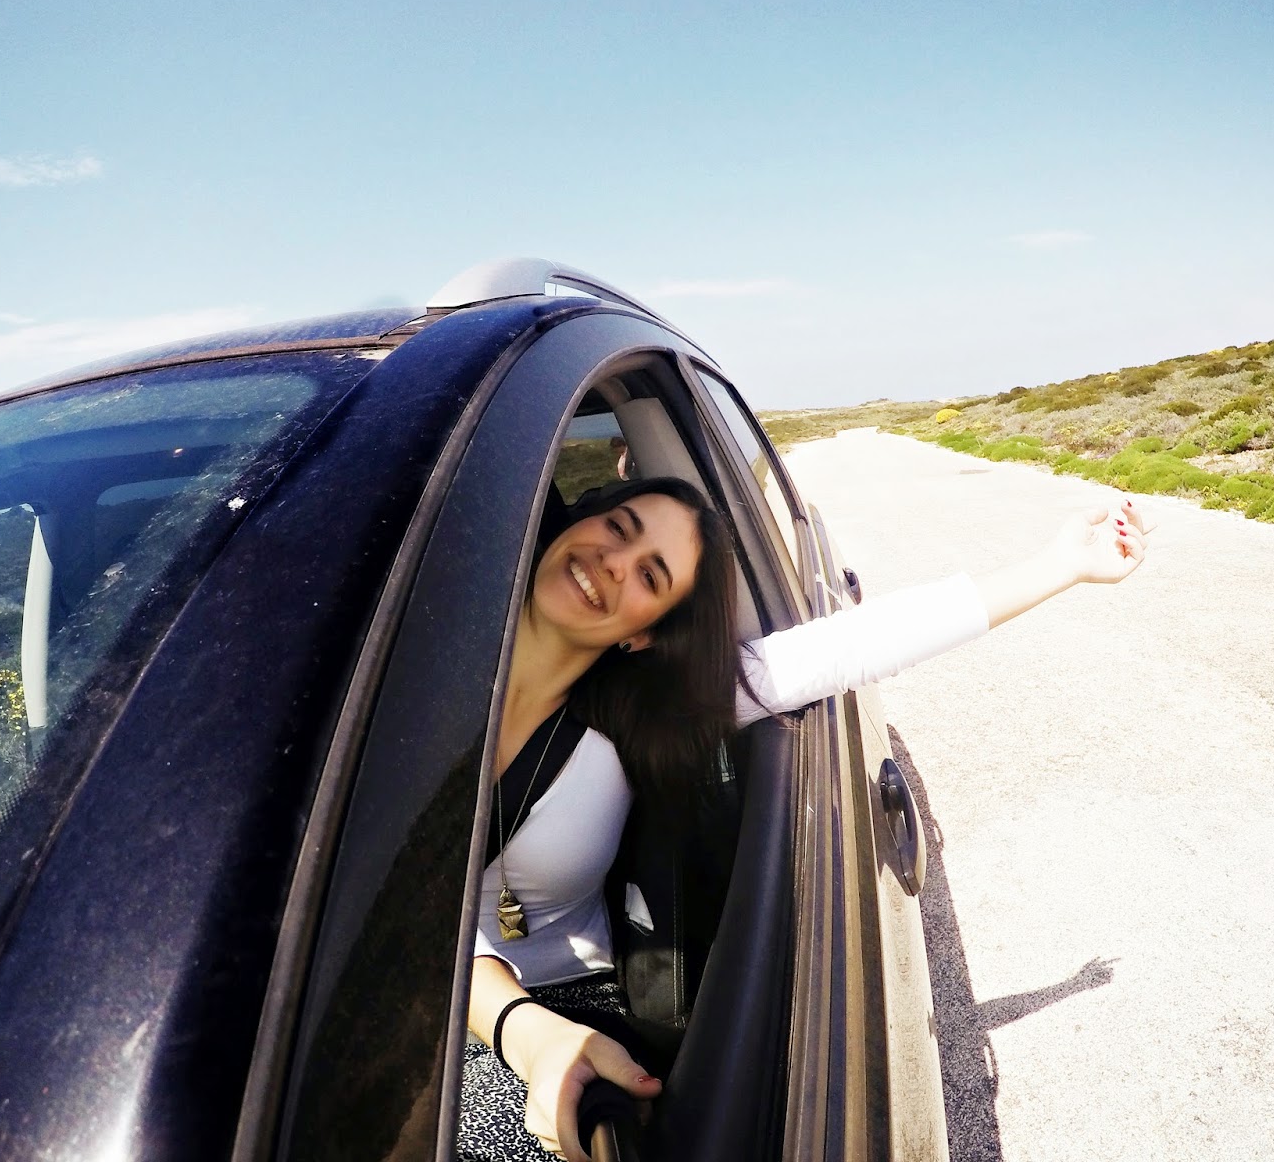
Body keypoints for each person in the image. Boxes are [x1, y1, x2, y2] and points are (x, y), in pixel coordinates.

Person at [458, 477, 1150, 1162]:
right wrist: (518, 1028)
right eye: (619, 528)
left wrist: (1061, 565)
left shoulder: (645, 718)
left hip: (573, 1011)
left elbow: (857, 643)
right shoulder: (411, 662)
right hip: (461, 1012)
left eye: (651, 574)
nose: (613, 563)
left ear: (646, 631)